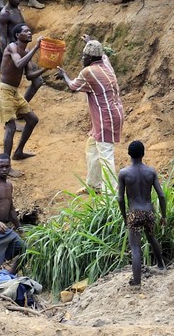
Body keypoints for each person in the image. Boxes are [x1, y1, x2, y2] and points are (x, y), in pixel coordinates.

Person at [61, 37, 124, 190]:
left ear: (90, 58)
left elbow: (73, 86)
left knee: (105, 155)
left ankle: (110, 194)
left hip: (105, 117)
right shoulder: (106, 64)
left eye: (84, 56)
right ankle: (94, 185)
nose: (82, 58)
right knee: (92, 149)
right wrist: (90, 42)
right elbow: (103, 54)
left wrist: (64, 75)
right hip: (114, 112)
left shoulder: (89, 71)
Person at [116, 141, 167, 286]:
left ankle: (137, 282)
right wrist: (164, 216)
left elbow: (120, 198)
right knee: (151, 237)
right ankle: (161, 265)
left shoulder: (124, 173)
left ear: (129, 154)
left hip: (134, 213)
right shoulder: (151, 172)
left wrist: (124, 216)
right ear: (143, 154)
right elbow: (161, 196)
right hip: (149, 212)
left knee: (136, 247)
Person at [0, 23, 42, 163]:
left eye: (30, 30)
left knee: (33, 119)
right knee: (11, 128)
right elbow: (19, 64)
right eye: (26, 31)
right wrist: (35, 48)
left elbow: (30, 76)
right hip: (3, 90)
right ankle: (6, 164)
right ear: (17, 35)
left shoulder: (26, 52)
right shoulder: (12, 47)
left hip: (13, 92)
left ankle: (18, 152)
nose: (29, 33)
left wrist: (46, 68)